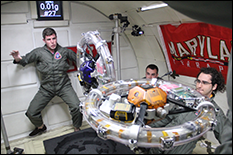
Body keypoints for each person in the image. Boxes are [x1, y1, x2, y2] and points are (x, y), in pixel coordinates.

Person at [10, 27, 83, 137]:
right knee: (31, 112)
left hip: (63, 86)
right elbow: (24, 60)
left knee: (77, 107)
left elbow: (80, 59)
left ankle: (77, 128)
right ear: (44, 40)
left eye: (54, 38)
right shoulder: (38, 52)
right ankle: (40, 127)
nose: (52, 42)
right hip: (46, 88)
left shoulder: (64, 51)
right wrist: (17, 58)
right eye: (49, 39)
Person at [149, 67, 228, 154]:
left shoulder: (212, 111)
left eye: (204, 83)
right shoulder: (186, 99)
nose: (199, 86)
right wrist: (149, 129)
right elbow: (167, 118)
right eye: (198, 81)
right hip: (159, 147)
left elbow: (226, 138)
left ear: (214, 86)